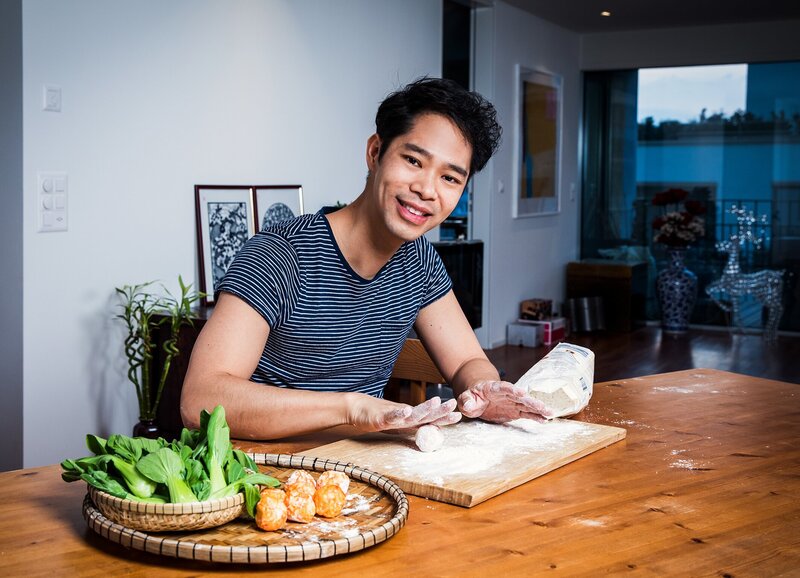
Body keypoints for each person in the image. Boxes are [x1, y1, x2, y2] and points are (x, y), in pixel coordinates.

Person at [181, 77, 550, 439]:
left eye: (450, 178)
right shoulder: (280, 254)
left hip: (359, 466)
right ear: (375, 152)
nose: (426, 189)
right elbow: (200, 400)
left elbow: (467, 360)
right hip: (265, 466)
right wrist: (351, 408)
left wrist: (483, 388)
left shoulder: (419, 262)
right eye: (413, 160)